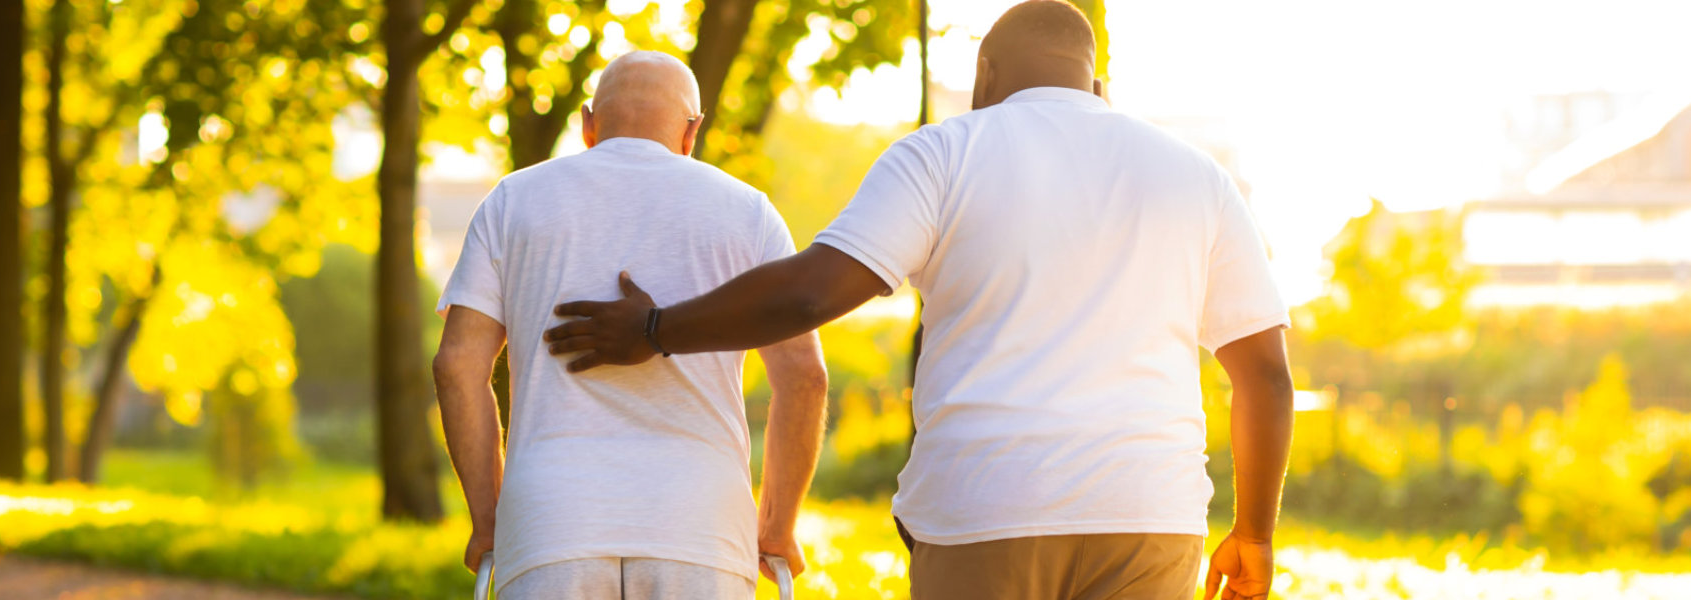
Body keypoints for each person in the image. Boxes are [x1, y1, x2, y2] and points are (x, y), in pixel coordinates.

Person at [541, 2, 1296, 599]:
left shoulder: (946, 152)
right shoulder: (1196, 178)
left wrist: (654, 328)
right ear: (1095, 84)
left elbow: (811, 292)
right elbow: (1263, 373)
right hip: (1149, 519)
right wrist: (1255, 535)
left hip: (987, 511)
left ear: (986, 74)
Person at [431, 50, 830, 600]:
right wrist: (778, 526)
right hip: (701, 529)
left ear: (588, 125)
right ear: (692, 131)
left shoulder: (512, 201)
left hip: (553, 524)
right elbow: (804, 377)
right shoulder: (749, 212)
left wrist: (489, 515)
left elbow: (456, 367)